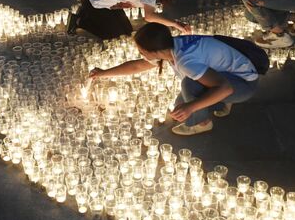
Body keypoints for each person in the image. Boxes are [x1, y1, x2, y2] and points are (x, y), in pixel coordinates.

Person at [88, 23, 267, 136]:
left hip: (243, 83)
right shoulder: (172, 44)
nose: (141, 55)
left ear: (154, 51)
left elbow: (225, 87)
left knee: (188, 87)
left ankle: (202, 123)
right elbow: (138, 66)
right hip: (232, 73)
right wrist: (103, 73)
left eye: (142, 51)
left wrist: (192, 108)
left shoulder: (186, 61)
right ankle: (220, 104)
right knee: (182, 102)